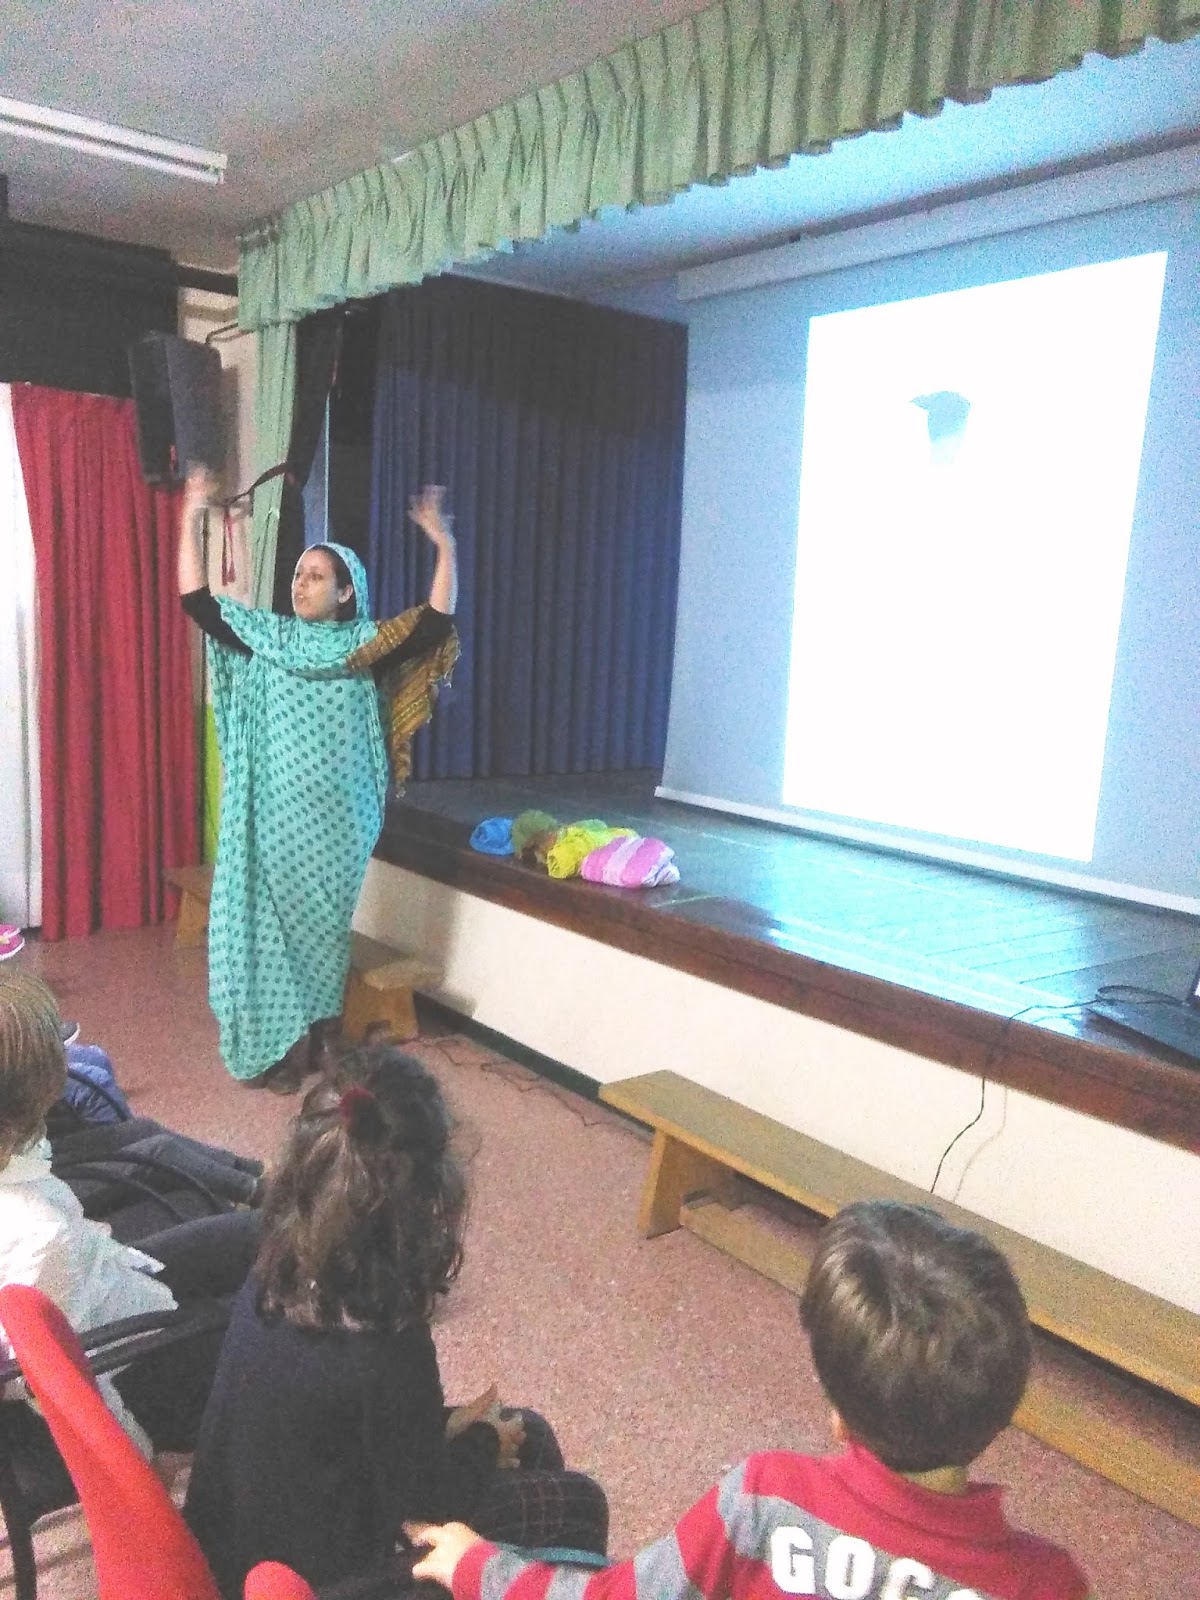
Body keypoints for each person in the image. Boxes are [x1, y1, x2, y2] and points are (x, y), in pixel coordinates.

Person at [408, 1200, 1092, 1600]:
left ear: (839, 1414)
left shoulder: (766, 1497)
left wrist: (477, 1565)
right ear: (1006, 1404)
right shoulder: (1048, 1583)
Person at [183, 1043, 608, 1598]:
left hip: (238, 1545)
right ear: (429, 1199)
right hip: (334, 1578)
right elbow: (427, 1499)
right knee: (578, 1501)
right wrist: (484, 1439)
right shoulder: (384, 1348)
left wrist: (468, 1434)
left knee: (528, 1430)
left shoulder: (277, 1259)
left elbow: (372, 1436)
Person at [178, 472, 459, 1092]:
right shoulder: (269, 639)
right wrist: (192, 513)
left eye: (315, 577)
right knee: (270, 928)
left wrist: (444, 545)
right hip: (273, 822)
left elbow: (435, 623)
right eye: (298, 575)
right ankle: (282, 1046)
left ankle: (321, 1035)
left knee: (324, 932)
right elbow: (198, 603)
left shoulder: (367, 646)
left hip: (337, 827)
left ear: (345, 591)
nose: (300, 585)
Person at [0, 970, 260, 1459]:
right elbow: (66, 1379)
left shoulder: (22, 1173)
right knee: (263, 1328)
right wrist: (135, 1459)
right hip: (127, 1360)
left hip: (106, 1280)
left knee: (253, 1232)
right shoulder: (38, 1233)